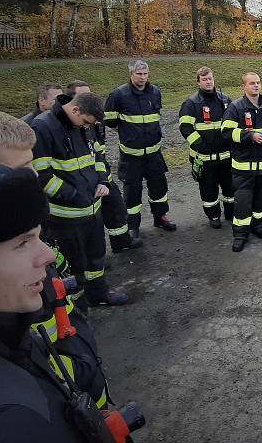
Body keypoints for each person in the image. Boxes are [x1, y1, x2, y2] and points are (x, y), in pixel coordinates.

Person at [0, 111, 111, 409]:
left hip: (79, 377)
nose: (34, 179)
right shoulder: (1, 278)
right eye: (22, 170)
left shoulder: (24, 229)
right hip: (59, 393)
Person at [31, 92, 128, 306]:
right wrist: (76, 196)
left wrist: (103, 181)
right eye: (85, 122)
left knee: (96, 256)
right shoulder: (43, 128)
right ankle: (76, 307)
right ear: (75, 110)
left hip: (92, 211)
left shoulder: (85, 125)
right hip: (65, 217)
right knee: (74, 264)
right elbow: (42, 176)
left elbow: (98, 157)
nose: (87, 127)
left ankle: (99, 294)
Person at [104, 59, 176, 241]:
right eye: (139, 74)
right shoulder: (118, 95)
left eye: (145, 74)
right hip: (131, 156)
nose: (143, 77)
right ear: (131, 74)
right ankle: (133, 226)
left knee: (159, 190)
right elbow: (110, 121)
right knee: (132, 194)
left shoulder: (155, 92)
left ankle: (160, 217)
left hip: (154, 154)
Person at [67, 80, 141, 254]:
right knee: (91, 222)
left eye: (90, 94)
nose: (89, 99)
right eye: (83, 95)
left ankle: (121, 242)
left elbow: (99, 151)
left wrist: (103, 177)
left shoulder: (94, 120)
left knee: (116, 208)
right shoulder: (70, 124)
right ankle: (91, 259)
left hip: (101, 175)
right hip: (84, 181)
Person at [221, 72, 262, 252]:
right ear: (244, 87)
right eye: (252, 83)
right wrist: (250, 136)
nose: (256, 86)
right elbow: (226, 131)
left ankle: (257, 225)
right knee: (242, 203)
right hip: (244, 168)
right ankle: (240, 234)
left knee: (261, 200)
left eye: (258, 83)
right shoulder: (236, 107)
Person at [179, 67, 234, 229]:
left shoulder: (225, 100)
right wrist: (201, 146)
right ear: (198, 82)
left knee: (230, 188)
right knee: (208, 191)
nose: (208, 82)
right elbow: (185, 128)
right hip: (204, 159)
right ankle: (214, 216)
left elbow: (234, 123)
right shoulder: (191, 103)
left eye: (210, 78)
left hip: (226, 156)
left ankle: (231, 212)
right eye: (204, 79)